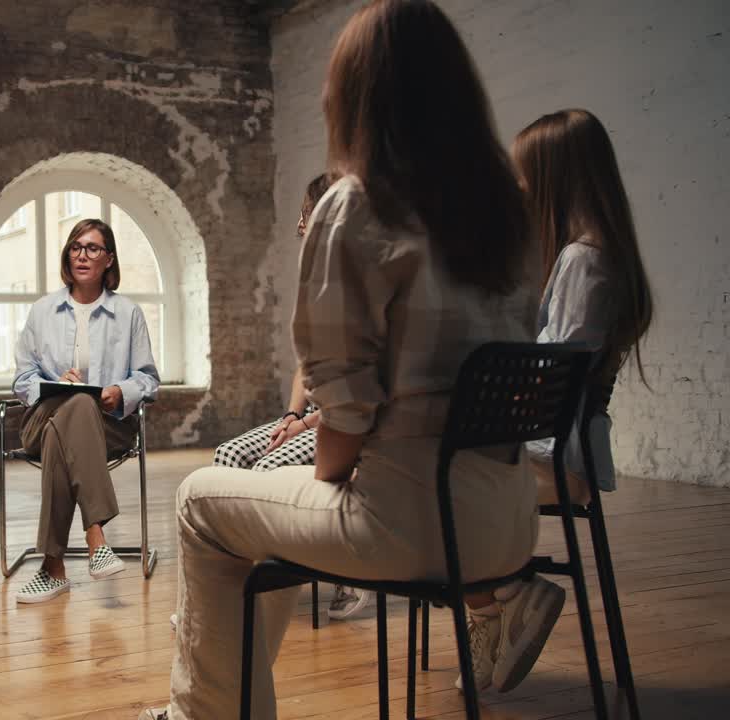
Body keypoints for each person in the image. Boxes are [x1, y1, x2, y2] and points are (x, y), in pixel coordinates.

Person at [140, 1, 539, 717]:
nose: (324, 94)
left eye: (334, 77)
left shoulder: (357, 205)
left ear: (360, 96)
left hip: (412, 525)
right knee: (257, 517)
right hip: (509, 521)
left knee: (203, 501)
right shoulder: (510, 213)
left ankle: (204, 714)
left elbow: (345, 412)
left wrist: (324, 480)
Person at [456, 107, 655, 693]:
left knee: (432, 479)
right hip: (566, 452)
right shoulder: (602, 257)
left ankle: (504, 598)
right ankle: (496, 609)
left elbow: (548, 383)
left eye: (524, 179)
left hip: (555, 460)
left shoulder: (581, 261)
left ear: (554, 177)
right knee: (438, 471)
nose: (518, 191)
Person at [210, 172, 371, 622]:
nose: (298, 226)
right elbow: (306, 363)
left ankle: (331, 574)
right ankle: (234, 585)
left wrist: (303, 425)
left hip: (342, 417)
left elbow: (356, 387)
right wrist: (290, 414)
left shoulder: (357, 283)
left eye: (305, 214)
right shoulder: (313, 279)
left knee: (265, 472)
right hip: (314, 413)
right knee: (228, 455)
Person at [10, 219, 160, 604]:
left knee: (77, 412)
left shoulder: (128, 314)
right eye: (76, 246)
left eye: (93, 248)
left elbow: (147, 380)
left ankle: (52, 567)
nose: (82, 254)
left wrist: (119, 391)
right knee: (73, 403)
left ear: (109, 259)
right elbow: (22, 378)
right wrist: (55, 382)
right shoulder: (43, 311)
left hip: (109, 425)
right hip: (42, 421)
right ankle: (96, 535)